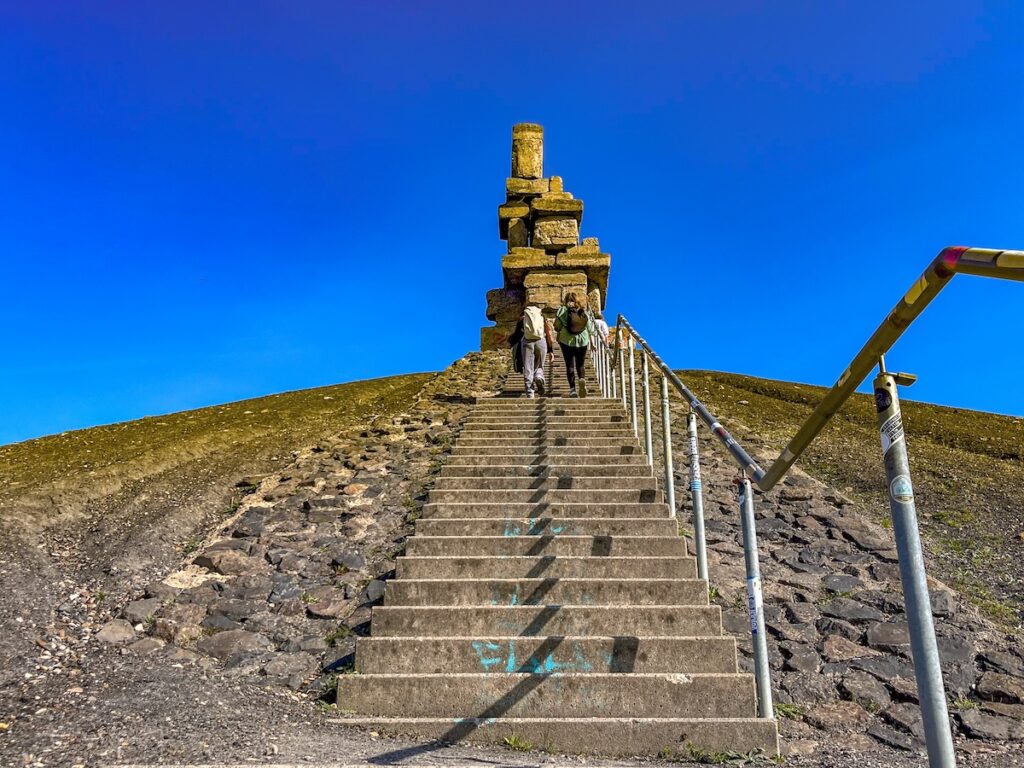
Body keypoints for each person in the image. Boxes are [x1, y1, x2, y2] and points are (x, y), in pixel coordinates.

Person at [554, 292, 593, 398]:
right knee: (580, 364)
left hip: (566, 341)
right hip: (582, 341)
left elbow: (557, 326)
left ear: (565, 299)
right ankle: (582, 379)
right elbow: (591, 328)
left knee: (569, 365)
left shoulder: (562, 310)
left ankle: (573, 390)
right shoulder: (582, 310)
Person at [519, 303, 554, 398]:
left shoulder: (524, 316)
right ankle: (539, 376)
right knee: (539, 364)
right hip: (541, 341)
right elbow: (549, 333)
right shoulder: (542, 316)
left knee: (528, 367)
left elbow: (517, 333)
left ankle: (530, 393)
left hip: (527, 342)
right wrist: (551, 350)